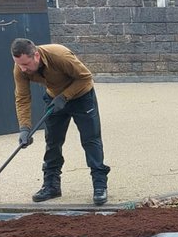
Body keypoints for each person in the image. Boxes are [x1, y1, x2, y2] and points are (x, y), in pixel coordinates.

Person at [11, 37, 111, 206]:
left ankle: (100, 185)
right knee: (52, 142)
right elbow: (22, 97)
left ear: (36, 56)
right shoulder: (20, 68)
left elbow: (85, 77)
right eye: (19, 64)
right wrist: (25, 128)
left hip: (82, 97)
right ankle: (51, 186)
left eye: (26, 64)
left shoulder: (60, 56)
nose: (23, 69)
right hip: (54, 99)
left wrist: (65, 97)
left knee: (91, 140)